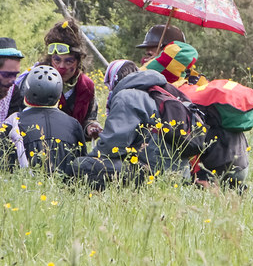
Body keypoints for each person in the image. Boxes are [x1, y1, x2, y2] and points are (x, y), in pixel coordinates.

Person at [70, 60, 189, 189]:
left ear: (114, 79)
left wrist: (90, 157)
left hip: (153, 173)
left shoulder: (127, 96)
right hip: (180, 174)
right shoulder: (159, 90)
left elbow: (113, 145)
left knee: (81, 165)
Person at [8, 19, 102, 139]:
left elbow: (89, 119)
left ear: (79, 61)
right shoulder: (34, 80)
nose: (62, 66)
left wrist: (90, 127)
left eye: (69, 61)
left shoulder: (86, 86)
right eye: (57, 60)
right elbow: (17, 118)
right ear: (50, 58)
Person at [4, 65, 86, 175]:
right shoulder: (74, 125)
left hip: (24, 184)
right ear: (59, 95)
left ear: (26, 92)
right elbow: (82, 166)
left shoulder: (13, 123)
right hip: (63, 185)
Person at [138, 24, 207, 86]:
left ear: (171, 51)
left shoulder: (195, 83)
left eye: (150, 55)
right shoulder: (146, 78)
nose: (147, 60)